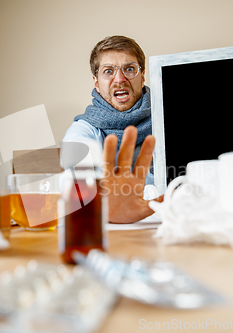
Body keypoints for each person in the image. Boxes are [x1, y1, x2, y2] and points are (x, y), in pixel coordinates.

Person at [62, 35, 162, 223]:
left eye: (129, 69)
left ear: (142, 77)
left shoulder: (166, 121)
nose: (120, 78)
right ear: (96, 83)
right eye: (108, 71)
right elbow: (78, 179)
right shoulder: (83, 131)